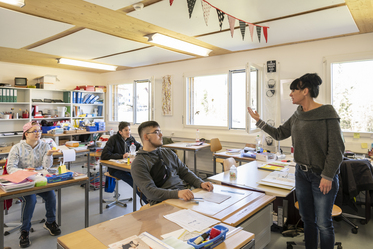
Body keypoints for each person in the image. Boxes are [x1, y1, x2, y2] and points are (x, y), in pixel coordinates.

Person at [248, 73, 344, 249]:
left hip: (321, 177)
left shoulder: (327, 114)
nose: (291, 94)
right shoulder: (298, 114)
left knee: (323, 223)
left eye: (294, 90)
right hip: (301, 175)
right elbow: (279, 133)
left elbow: (337, 149)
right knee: (307, 220)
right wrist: (259, 122)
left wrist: (328, 176)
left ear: (305, 91)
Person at [131, 121, 213, 205]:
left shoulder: (168, 153)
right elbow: (150, 192)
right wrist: (177, 193)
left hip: (183, 196)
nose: (161, 135)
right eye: (156, 132)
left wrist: (200, 183)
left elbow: (184, 172)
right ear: (146, 137)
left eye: (160, 132)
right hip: (163, 202)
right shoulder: (139, 163)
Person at [7, 121, 61, 248]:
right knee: (30, 199)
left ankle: (50, 222)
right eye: (34, 131)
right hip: (23, 182)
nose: (38, 133)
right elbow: (10, 168)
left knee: (51, 195)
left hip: (38, 180)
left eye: (39, 131)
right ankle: (24, 230)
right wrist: (25, 172)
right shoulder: (17, 148)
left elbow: (47, 166)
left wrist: (48, 155)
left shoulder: (44, 146)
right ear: (26, 134)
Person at [101, 121, 147, 204]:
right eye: (126, 130)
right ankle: (148, 202)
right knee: (134, 181)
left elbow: (139, 146)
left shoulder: (130, 138)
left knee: (141, 179)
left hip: (127, 167)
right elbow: (104, 155)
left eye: (129, 129)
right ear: (120, 132)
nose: (128, 132)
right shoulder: (113, 139)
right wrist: (122, 156)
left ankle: (151, 199)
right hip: (116, 169)